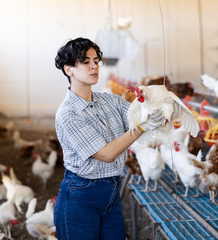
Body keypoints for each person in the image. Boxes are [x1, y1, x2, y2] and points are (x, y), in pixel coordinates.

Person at [53, 37, 166, 240]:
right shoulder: (68, 113)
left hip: (111, 192)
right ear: (68, 69)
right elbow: (106, 153)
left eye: (96, 61)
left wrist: (156, 101)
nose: (94, 66)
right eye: (85, 62)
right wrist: (142, 126)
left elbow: (139, 116)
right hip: (80, 196)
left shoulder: (110, 101)